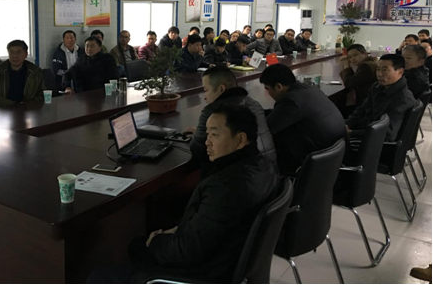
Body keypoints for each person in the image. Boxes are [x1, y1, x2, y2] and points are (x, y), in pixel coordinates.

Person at [88, 105, 279, 284]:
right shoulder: (264, 167)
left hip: (204, 274)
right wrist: (178, 229)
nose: (207, 141)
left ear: (240, 140)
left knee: (102, 273)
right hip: (226, 260)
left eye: (214, 134)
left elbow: (187, 252)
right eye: (207, 134)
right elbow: (211, 226)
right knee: (139, 244)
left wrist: (156, 241)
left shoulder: (226, 187)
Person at [189, 66, 276, 179]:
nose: (204, 97)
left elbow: (197, 150)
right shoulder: (254, 103)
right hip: (269, 173)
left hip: (237, 181)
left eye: (206, 90)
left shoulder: (212, 111)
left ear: (221, 89)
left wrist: (198, 135)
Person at [260, 64, 346, 175]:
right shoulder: (307, 89)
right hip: (335, 156)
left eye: (268, 89)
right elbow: (280, 114)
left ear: (278, 86)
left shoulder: (291, 101)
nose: (268, 94)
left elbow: (266, 131)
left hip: (318, 166)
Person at [346, 54, 416, 141]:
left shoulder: (403, 99)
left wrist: (352, 133)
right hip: (364, 130)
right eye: (378, 69)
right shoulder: (377, 87)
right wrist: (347, 124)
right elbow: (362, 110)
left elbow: (388, 134)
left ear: (400, 72)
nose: (379, 74)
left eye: (385, 70)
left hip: (373, 142)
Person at [0, 40, 45, 109]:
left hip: (27, 109)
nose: (15, 56)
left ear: (26, 54)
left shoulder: (35, 72)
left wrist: (25, 106)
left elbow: (41, 95)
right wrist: (13, 105)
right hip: (1, 109)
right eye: (11, 52)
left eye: (18, 52)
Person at [338, 44, 378, 115]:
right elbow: (355, 79)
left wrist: (346, 66)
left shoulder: (366, 66)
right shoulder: (370, 62)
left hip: (366, 105)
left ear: (365, 54)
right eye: (350, 57)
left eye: (355, 55)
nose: (352, 59)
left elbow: (349, 83)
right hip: (369, 102)